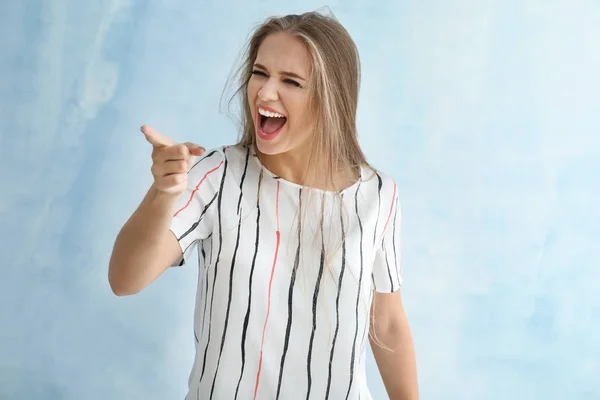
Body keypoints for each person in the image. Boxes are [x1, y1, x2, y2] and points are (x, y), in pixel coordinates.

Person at [108, 10, 418, 400]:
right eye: (260, 73)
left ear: (331, 99)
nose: (266, 93)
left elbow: (387, 324)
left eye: (291, 81)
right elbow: (124, 279)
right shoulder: (216, 176)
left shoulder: (378, 196)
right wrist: (163, 194)